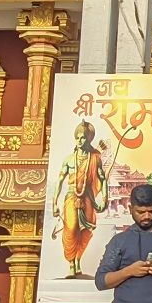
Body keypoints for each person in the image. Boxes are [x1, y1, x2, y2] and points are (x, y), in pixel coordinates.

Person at [50, 119, 106, 279]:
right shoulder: (69, 159)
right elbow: (59, 182)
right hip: (71, 196)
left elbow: (102, 179)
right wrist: (54, 203)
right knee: (72, 228)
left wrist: (105, 199)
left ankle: (78, 260)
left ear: (89, 139)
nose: (80, 141)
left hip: (87, 197)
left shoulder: (95, 158)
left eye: (83, 138)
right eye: (78, 137)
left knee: (86, 231)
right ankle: (71, 263)